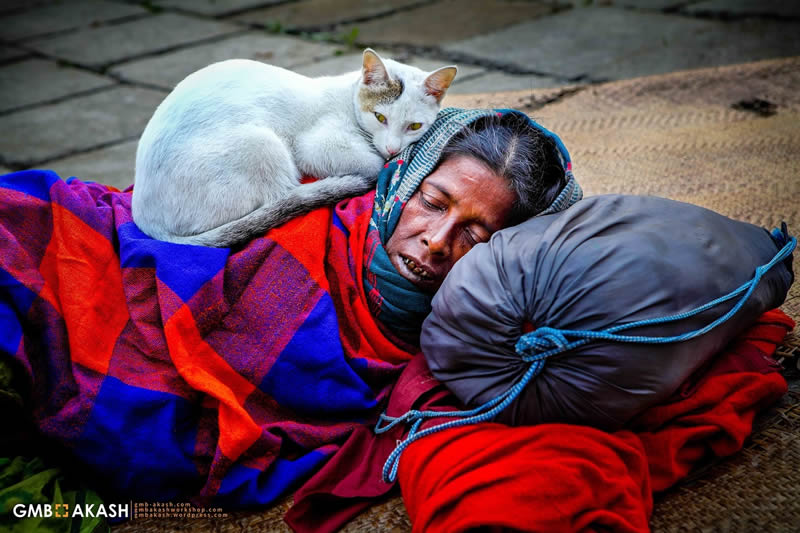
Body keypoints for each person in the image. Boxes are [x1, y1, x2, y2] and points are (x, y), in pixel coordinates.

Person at [0, 107, 580, 514]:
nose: (436, 239)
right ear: (403, 182)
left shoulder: (457, 346)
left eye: (475, 233)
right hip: (109, 258)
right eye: (432, 203)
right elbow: (172, 229)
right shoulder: (315, 197)